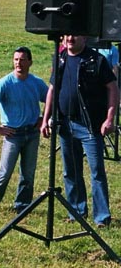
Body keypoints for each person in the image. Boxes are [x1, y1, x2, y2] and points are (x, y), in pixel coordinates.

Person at [41, 34, 120, 227]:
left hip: (90, 126)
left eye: (74, 35)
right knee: (71, 170)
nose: (70, 38)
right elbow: (52, 89)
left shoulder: (96, 60)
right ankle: (77, 211)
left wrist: (109, 119)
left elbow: (113, 88)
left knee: (97, 172)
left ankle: (102, 218)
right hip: (65, 125)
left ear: (84, 38)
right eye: (67, 35)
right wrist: (45, 119)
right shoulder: (60, 58)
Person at [0, 47, 48, 213]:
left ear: (30, 62)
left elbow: (51, 99)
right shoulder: (4, 83)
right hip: (13, 135)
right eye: (16, 59)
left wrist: (43, 119)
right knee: (5, 171)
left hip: (32, 133)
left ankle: (22, 205)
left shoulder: (36, 83)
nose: (19, 63)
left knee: (28, 172)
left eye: (22, 60)